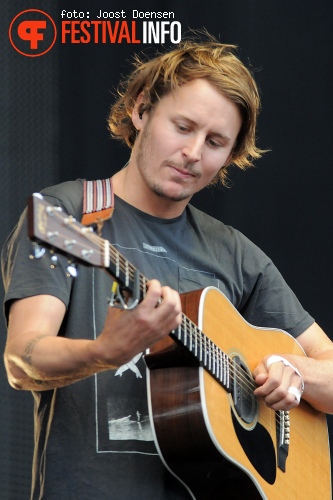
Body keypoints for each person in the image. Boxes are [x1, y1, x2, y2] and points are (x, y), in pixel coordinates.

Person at [2, 35, 333, 500]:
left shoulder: (235, 253)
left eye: (215, 142)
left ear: (230, 157)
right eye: (183, 126)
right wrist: (105, 351)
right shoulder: (68, 215)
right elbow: (22, 360)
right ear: (141, 111)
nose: (194, 153)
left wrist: (293, 372)